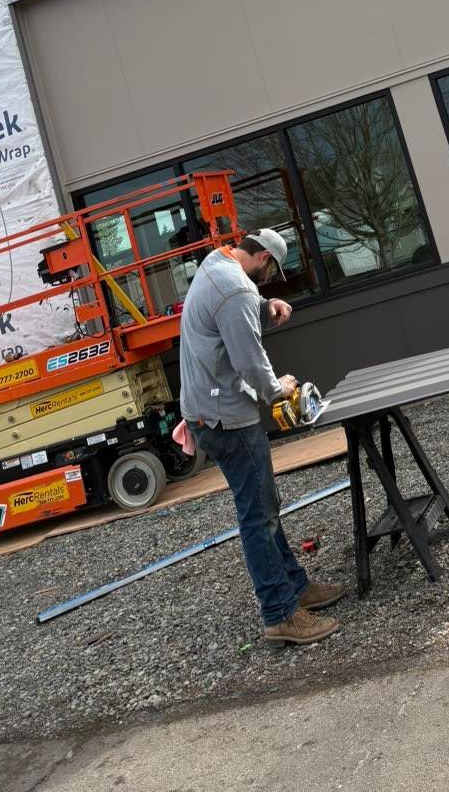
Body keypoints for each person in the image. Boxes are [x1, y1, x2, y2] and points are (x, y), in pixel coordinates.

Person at [179, 228, 344, 646]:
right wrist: (280, 388)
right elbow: (250, 363)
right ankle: (280, 614)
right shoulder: (235, 289)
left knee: (264, 505)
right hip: (226, 419)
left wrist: (264, 305)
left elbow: (234, 310)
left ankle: (295, 585)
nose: (265, 281)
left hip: (205, 411)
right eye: (269, 274)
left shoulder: (217, 264)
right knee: (258, 515)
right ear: (265, 260)